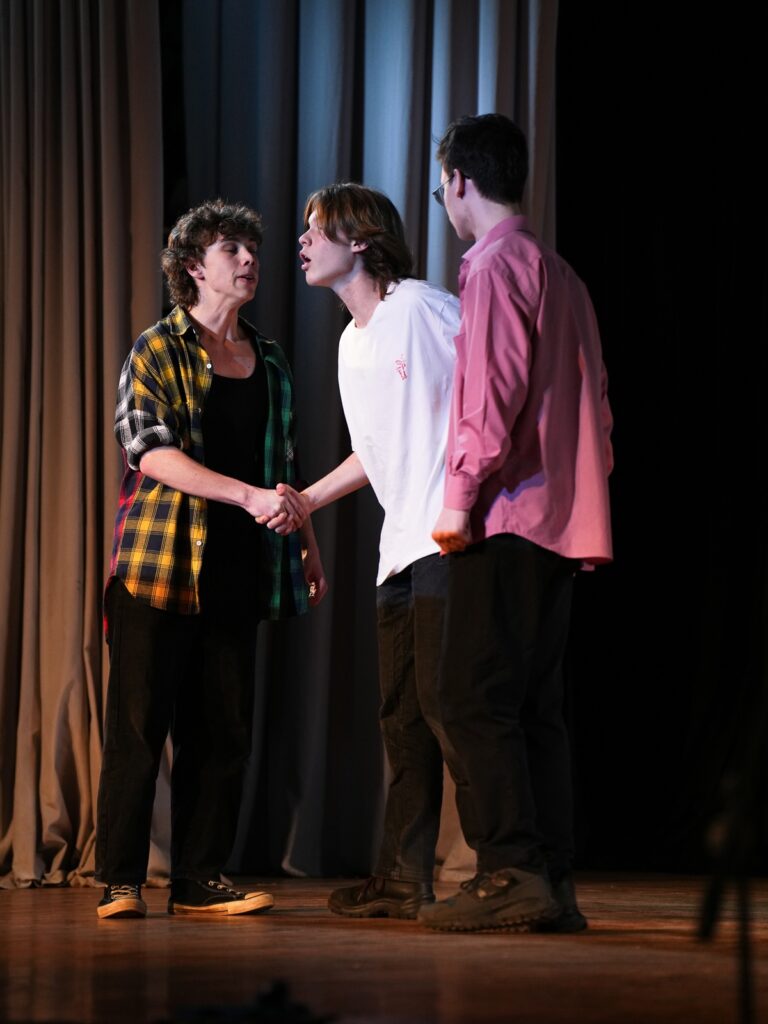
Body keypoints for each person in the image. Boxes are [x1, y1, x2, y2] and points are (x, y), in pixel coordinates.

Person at [95, 199, 326, 920]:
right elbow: (149, 452)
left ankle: (199, 880)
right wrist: (247, 496)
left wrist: (307, 544)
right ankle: (121, 880)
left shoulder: (271, 360)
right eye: (232, 249)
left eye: (252, 248)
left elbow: (284, 464)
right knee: (138, 732)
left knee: (223, 734)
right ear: (194, 266)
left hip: (237, 568)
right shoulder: (156, 348)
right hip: (158, 568)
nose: (250, 259)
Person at [419, 114, 613, 933]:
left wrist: (459, 496)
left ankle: (509, 871)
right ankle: (551, 883)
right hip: (562, 520)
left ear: (459, 180)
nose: (444, 199)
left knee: (468, 694)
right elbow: (598, 406)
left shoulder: (496, 266)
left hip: (508, 514)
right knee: (534, 705)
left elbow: (491, 394)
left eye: (442, 186)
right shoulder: (560, 273)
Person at [281, 183, 466, 918]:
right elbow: (373, 450)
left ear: (359, 239)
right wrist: (307, 501)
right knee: (402, 717)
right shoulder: (350, 343)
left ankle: (509, 868)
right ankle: (402, 878)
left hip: (450, 537)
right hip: (399, 548)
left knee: (452, 708)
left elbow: (491, 386)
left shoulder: (417, 307)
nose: (302, 242)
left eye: (316, 229)